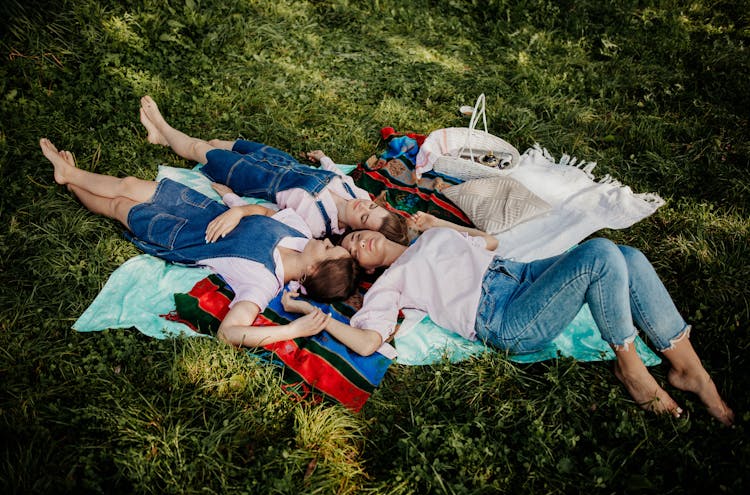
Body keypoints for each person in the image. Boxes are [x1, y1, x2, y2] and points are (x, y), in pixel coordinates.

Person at [289, 212, 734, 425]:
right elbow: (368, 341)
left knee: (628, 256)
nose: (357, 241)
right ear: (363, 271)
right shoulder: (390, 284)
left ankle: (690, 371)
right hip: (503, 316)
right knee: (599, 254)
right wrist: (320, 319)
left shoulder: (427, 235)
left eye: (357, 234)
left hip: (517, 274)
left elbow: (489, 242)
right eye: (350, 250)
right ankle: (631, 367)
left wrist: (437, 224)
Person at [40, 138, 384, 356]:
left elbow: (229, 333)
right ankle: (71, 174)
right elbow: (264, 210)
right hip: (201, 209)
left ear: (313, 270)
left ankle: (69, 181)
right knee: (129, 184)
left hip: (178, 237)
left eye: (327, 251)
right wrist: (238, 209)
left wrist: (291, 330)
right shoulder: (299, 232)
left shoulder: (263, 283)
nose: (325, 242)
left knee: (118, 207)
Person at [138, 95, 409, 244]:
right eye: (372, 208)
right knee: (218, 143)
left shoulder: (317, 224)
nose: (363, 208)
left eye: (364, 219)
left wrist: (231, 198)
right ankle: (164, 138)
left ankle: (163, 129)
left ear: (353, 231)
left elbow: (270, 215)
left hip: (255, 178)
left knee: (201, 151)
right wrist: (325, 158)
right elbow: (338, 175)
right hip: (279, 160)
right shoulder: (358, 194)